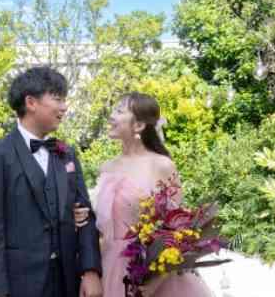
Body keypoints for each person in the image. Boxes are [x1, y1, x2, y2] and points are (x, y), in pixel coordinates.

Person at [0, 66, 102, 297]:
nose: (64, 107)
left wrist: (90, 271)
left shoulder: (66, 153)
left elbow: (85, 215)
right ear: (31, 102)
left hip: (67, 282)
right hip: (20, 285)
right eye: (57, 99)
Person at [74, 92, 212, 297]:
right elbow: (101, 227)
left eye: (119, 111)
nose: (111, 116)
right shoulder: (107, 167)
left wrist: (157, 278)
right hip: (110, 268)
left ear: (138, 125)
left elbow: (179, 228)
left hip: (153, 272)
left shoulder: (162, 165)